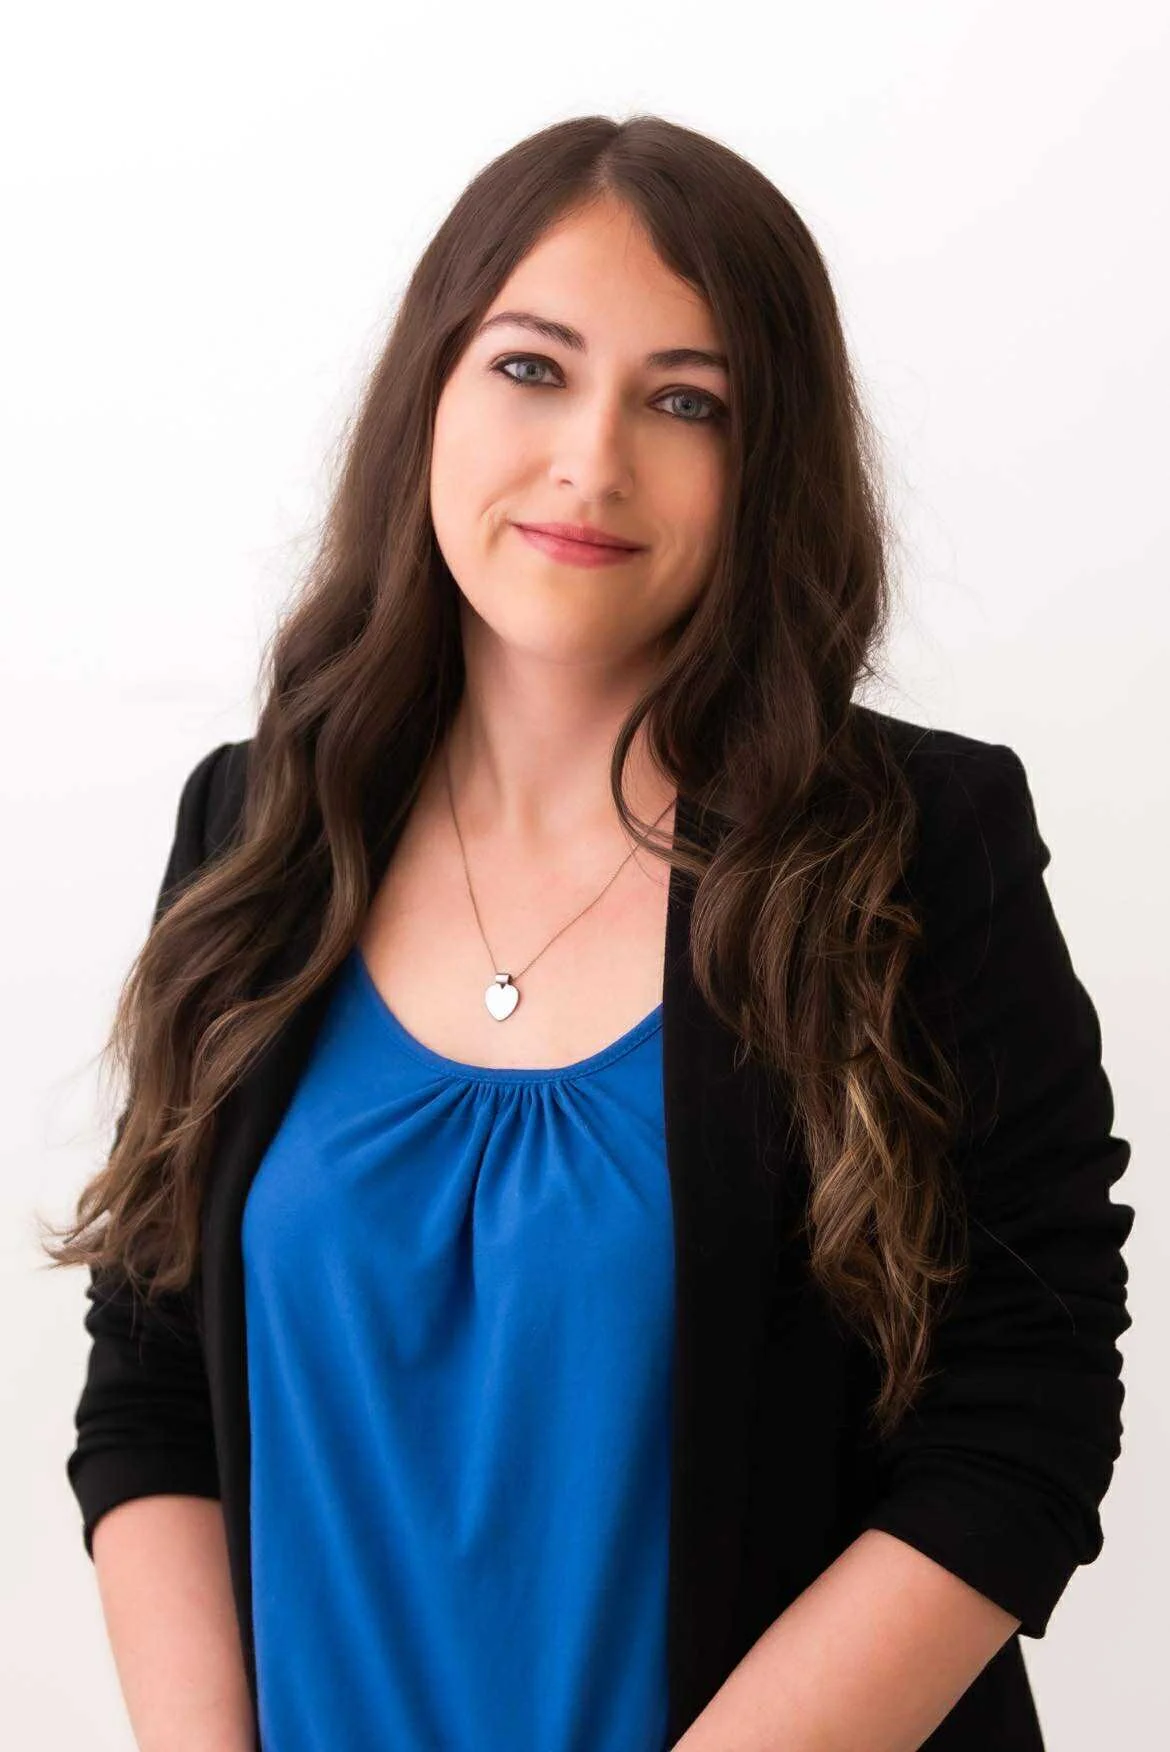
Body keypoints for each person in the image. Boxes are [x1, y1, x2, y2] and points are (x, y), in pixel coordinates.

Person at [45, 114, 1134, 1752]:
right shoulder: (260, 823)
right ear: (429, 391)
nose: (590, 462)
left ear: (766, 465)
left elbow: (1018, 1422)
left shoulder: (912, 849)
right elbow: (150, 1377)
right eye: (531, 369)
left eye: (685, 402)